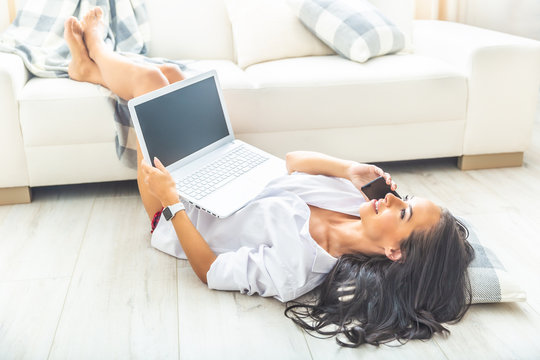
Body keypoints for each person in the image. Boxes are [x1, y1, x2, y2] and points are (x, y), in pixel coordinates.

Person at [65, 7, 475, 348]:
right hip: (225, 167)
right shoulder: (355, 204)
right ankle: (90, 69)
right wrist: (347, 168)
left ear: (393, 253)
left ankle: (97, 48)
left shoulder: (298, 268)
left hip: (178, 210)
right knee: (170, 73)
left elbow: (211, 271)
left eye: (403, 215)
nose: (394, 199)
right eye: (407, 198)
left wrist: (171, 200)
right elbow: (293, 160)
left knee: (151, 84)